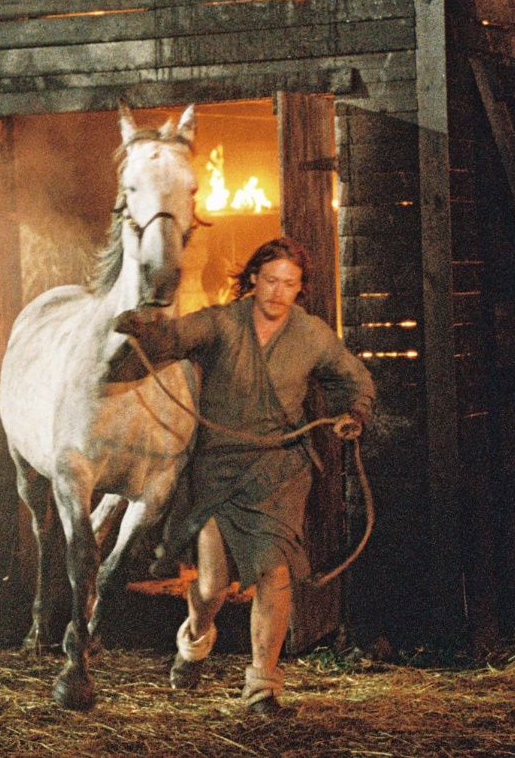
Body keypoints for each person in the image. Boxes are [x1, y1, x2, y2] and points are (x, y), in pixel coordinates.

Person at [113, 236, 374, 715]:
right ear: (253, 278)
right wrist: (144, 330)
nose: (278, 292)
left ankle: (262, 687)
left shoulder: (312, 334)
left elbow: (351, 376)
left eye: (289, 284)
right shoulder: (221, 323)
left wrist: (353, 411)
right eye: (270, 280)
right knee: (213, 586)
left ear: (300, 288)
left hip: (279, 470)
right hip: (219, 468)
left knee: (274, 573)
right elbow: (174, 338)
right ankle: (193, 640)